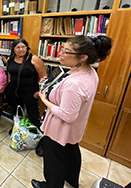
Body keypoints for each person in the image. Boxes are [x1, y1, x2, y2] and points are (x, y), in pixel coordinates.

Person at [31, 35, 112, 188]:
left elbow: (67, 115)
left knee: (54, 162)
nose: (60, 53)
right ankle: (71, 181)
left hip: (59, 130)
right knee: (71, 154)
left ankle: (51, 186)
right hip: (73, 130)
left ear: (82, 57)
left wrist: (45, 100)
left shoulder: (74, 84)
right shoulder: (89, 72)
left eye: (66, 51)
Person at [6, 38, 47, 130]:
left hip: (30, 92)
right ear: (13, 49)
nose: (21, 49)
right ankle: (18, 131)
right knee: (16, 113)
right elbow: (9, 73)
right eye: (18, 47)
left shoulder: (34, 59)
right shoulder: (10, 59)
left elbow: (44, 77)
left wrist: (38, 93)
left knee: (33, 116)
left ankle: (36, 136)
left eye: (23, 47)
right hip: (14, 91)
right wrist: (9, 83)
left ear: (27, 47)